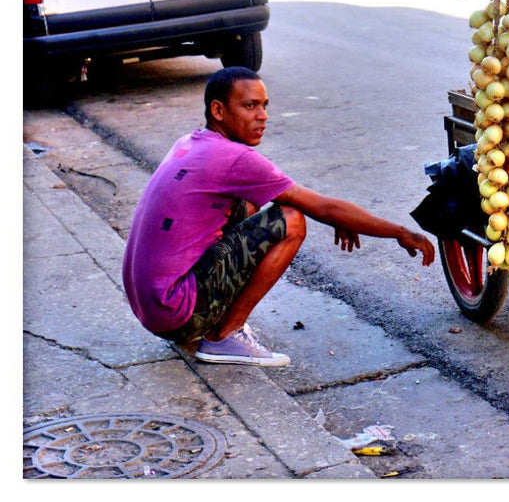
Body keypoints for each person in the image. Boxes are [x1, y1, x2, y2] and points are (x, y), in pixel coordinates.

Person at [122, 67, 435, 367]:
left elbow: (315, 207)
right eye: (250, 106)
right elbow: (320, 207)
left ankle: (216, 321)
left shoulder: (191, 142)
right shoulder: (235, 158)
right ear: (218, 111)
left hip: (152, 308)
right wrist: (399, 232)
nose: (263, 116)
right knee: (291, 219)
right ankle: (224, 335)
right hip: (176, 312)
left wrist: (341, 218)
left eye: (264, 106)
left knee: (249, 203)